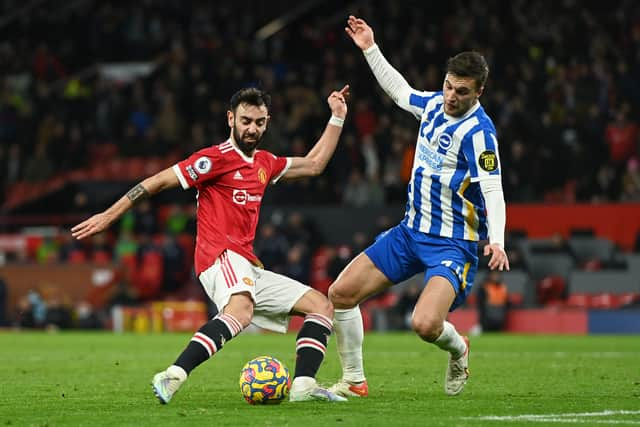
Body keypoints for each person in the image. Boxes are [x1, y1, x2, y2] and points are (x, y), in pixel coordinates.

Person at [72, 85, 350, 403]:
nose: (252, 128)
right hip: (220, 256)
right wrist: (109, 215)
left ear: (267, 122)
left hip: (246, 263)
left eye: (259, 122)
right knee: (241, 311)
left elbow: (314, 165)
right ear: (230, 118)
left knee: (321, 307)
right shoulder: (213, 159)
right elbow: (155, 182)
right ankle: (173, 375)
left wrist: (337, 118)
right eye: (245, 120)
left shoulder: (265, 163)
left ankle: (303, 387)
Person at [327, 16, 509, 398]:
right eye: (447, 86)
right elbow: (399, 91)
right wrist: (369, 48)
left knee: (425, 324)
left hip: (452, 246)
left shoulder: (480, 134)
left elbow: (493, 189)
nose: (450, 96)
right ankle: (354, 381)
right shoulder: (432, 106)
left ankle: (459, 348)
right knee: (340, 292)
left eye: (461, 91)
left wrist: (498, 240)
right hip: (410, 234)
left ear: (479, 91)